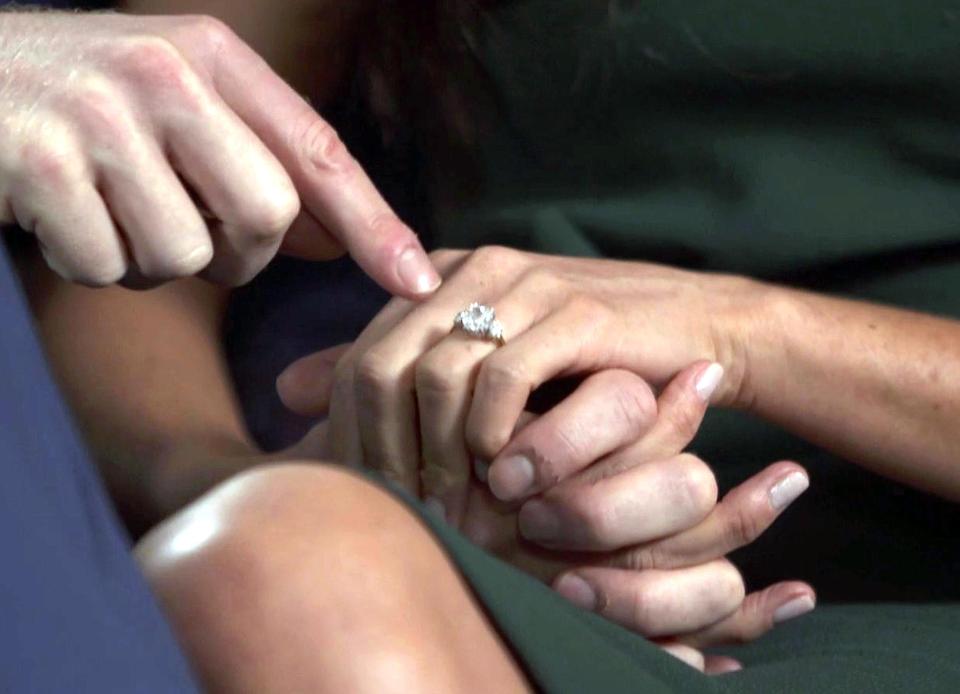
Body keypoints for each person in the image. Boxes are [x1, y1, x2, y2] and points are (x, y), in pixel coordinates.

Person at [9, 0, 960, 692]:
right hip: (501, 558)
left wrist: (744, 333)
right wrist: (238, 475)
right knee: (280, 577)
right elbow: (137, 203)